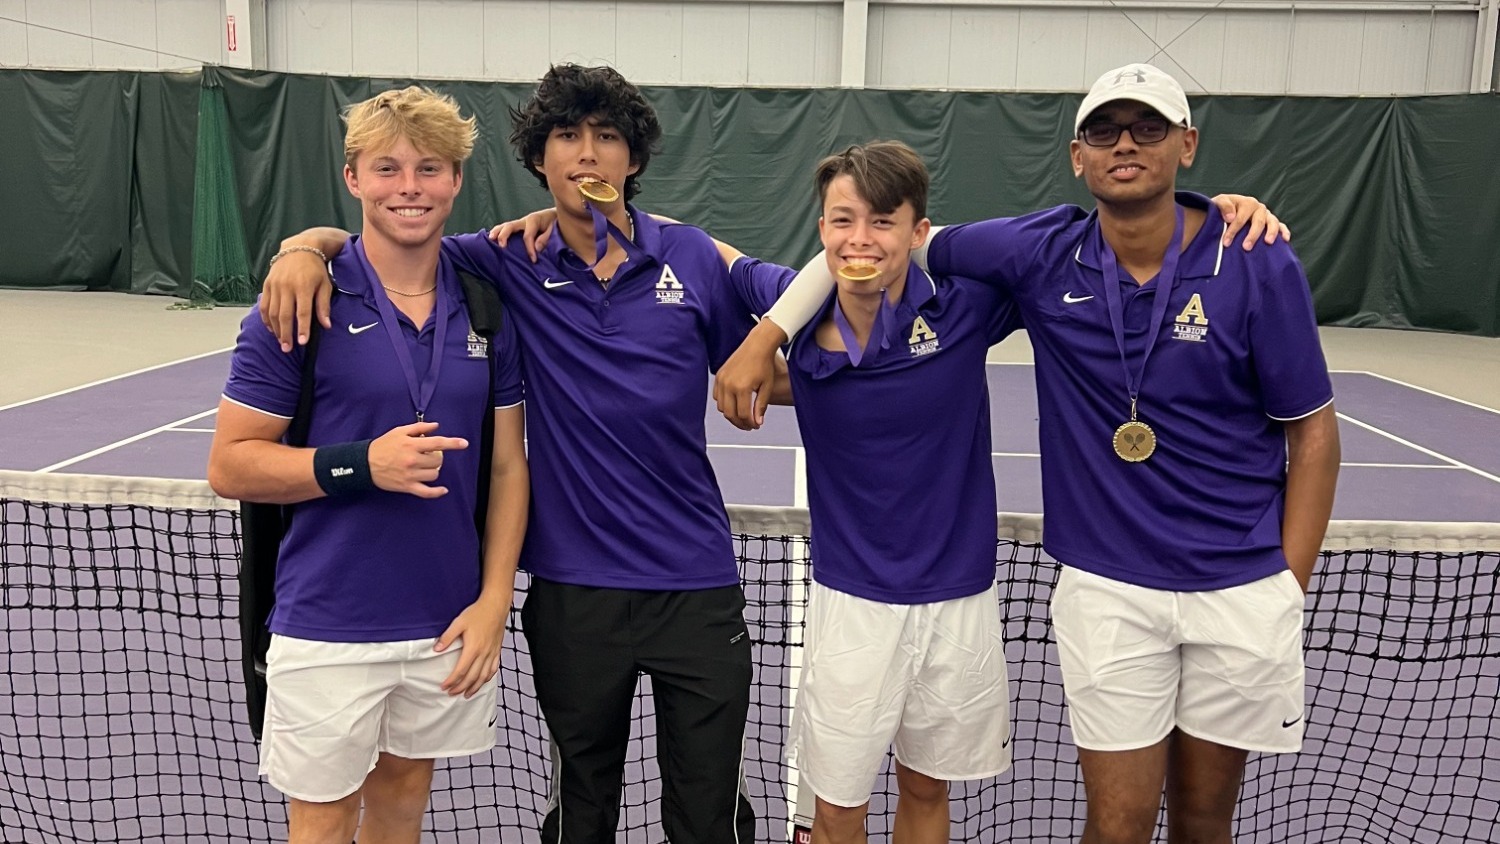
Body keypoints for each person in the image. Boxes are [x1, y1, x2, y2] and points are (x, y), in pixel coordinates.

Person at [718, 64, 1341, 844]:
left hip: (1204, 587)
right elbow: (816, 252)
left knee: (1204, 818)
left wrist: (1288, 584)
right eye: (1106, 131)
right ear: (1077, 154)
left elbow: (1313, 431)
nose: (1126, 144)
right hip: (1079, 591)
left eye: (1147, 129)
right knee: (1111, 822)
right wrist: (767, 334)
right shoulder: (1041, 252)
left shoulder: (1246, 255)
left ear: (1186, 144)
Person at [257, 65, 759, 844]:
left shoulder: (690, 258)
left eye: (607, 138)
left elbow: (778, 364)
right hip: (572, 592)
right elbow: (386, 235)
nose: (587, 155)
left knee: (707, 817)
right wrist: (304, 249)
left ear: (633, 159)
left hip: (695, 583)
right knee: (580, 810)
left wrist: (765, 344)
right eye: (568, 137)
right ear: (540, 159)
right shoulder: (501, 261)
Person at [207, 86, 529, 844]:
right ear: (353, 178)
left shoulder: (485, 306)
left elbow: (511, 470)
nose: (408, 188)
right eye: (386, 169)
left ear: (455, 179)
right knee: (319, 827)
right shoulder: (296, 306)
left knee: (401, 811)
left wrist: (492, 605)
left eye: (429, 169)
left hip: (445, 625)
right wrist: (360, 465)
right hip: (327, 623)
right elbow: (231, 465)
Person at [718, 140, 1020, 843]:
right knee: (836, 809)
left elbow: (1060, 242)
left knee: (925, 787)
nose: (859, 240)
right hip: (853, 604)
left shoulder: (966, 308)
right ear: (820, 230)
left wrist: (1217, 212)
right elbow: (715, 255)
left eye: (884, 222)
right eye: (842, 221)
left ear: (919, 233)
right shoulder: (791, 312)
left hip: (960, 598)